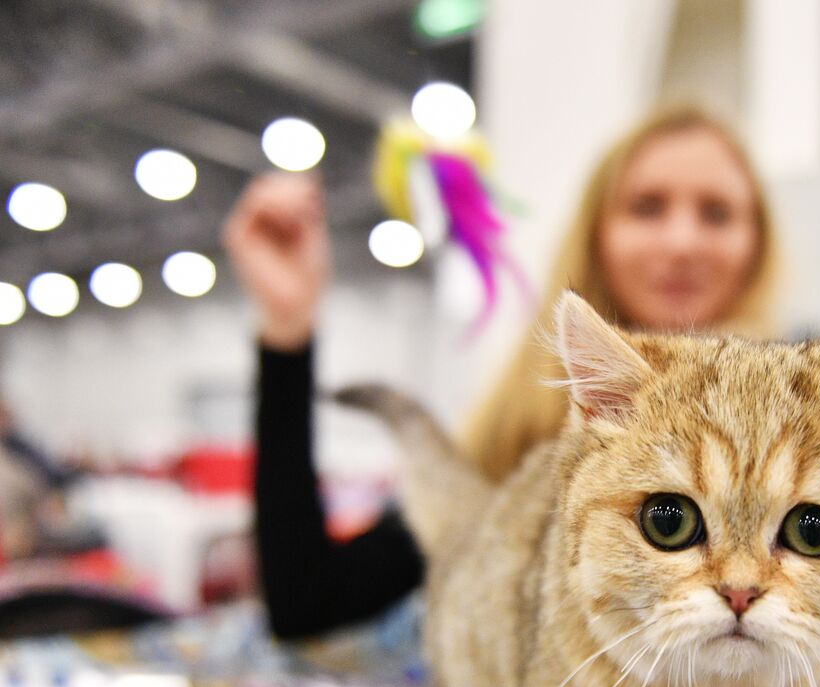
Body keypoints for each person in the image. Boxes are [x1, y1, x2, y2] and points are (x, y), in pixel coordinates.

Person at [224, 107, 779, 639]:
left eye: (717, 213)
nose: (682, 242)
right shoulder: (510, 444)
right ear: (596, 234)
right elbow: (309, 601)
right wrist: (287, 329)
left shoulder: (818, 419)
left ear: (756, 243)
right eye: (647, 207)